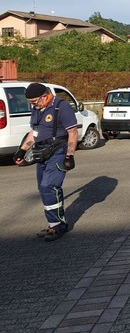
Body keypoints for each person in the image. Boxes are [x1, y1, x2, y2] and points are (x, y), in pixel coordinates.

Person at [13, 83, 78, 242]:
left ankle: (58, 226)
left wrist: (69, 156)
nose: (32, 105)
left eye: (34, 101)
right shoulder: (37, 109)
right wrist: (22, 150)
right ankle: (53, 223)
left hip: (58, 151)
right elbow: (34, 133)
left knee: (49, 186)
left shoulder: (62, 107)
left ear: (45, 95)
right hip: (42, 152)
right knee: (43, 188)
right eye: (30, 102)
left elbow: (72, 132)